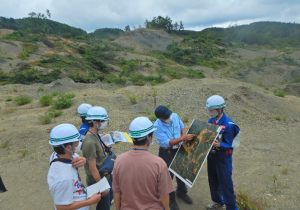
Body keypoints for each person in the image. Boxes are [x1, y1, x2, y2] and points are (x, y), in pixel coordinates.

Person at [113, 116, 173, 210]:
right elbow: (164, 194)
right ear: (149, 137)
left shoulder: (119, 161)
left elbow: (117, 192)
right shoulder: (159, 164)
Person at [47, 123, 101, 210]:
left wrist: (83, 159)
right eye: (76, 143)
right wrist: (90, 201)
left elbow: (75, 156)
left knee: (104, 190)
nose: (78, 144)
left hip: (78, 193)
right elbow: (61, 207)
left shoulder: (56, 155)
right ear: (68, 147)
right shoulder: (63, 178)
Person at [153, 105, 195, 210]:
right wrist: (182, 138)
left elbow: (181, 127)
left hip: (179, 148)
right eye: (166, 117)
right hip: (167, 152)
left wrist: (182, 136)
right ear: (160, 118)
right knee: (168, 177)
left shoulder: (174, 116)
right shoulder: (157, 126)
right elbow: (167, 143)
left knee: (181, 170)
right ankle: (171, 200)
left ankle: (181, 192)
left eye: (169, 115)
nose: (169, 117)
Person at [205, 95, 240, 210]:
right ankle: (218, 201)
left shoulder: (230, 125)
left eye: (211, 110)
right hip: (212, 157)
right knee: (213, 180)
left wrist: (220, 144)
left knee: (226, 183)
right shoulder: (211, 121)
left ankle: (231, 207)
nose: (210, 112)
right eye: (209, 110)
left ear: (220, 109)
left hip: (223, 158)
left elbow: (233, 144)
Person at [81, 106, 111, 210]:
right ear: (94, 122)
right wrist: (102, 186)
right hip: (97, 179)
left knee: (106, 203)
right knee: (104, 206)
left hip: (103, 175)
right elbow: (92, 168)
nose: (104, 123)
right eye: (102, 121)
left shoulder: (95, 134)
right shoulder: (89, 142)